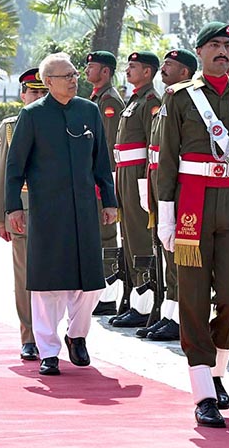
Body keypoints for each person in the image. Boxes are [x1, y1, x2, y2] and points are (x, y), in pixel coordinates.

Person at [157, 21, 229, 427]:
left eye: (228, 45)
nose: (223, 51)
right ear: (201, 52)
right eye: (216, 45)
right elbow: (167, 159)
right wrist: (165, 215)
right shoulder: (180, 98)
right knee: (191, 295)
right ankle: (203, 388)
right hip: (192, 205)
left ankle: (218, 366)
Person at [4, 52, 117, 377]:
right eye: (65, 75)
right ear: (49, 82)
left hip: (84, 208)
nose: (73, 78)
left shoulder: (89, 111)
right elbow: (15, 167)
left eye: (73, 73)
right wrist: (12, 207)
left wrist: (109, 200)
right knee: (47, 285)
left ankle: (77, 336)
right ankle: (48, 350)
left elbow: (101, 162)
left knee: (90, 282)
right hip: (47, 209)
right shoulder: (33, 116)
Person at [136, 49, 198, 342]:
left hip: (177, 185)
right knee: (167, 254)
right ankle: (169, 313)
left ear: (185, 72)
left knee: (177, 256)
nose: (163, 69)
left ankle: (178, 316)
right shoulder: (167, 101)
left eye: (169, 65)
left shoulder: (181, 102)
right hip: (158, 181)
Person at [0, 68, 48, 361]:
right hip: (23, 212)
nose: (38, 97)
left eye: (43, 92)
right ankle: (29, 336)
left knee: (57, 277)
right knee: (26, 277)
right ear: (22, 95)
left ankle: (50, 333)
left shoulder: (59, 122)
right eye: (33, 92)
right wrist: (1, 216)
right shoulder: (11, 127)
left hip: (56, 211)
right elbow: (1, 173)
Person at [110, 51, 161, 328]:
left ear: (147, 72)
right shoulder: (135, 100)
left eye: (134, 67)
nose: (128, 71)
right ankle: (134, 297)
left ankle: (144, 302)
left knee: (140, 237)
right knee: (127, 235)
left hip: (138, 175)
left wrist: (145, 185)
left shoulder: (151, 102)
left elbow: (152, 146)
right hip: (125, 173)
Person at [84, 51, 126, 316]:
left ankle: (109, 295)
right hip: (94, 176)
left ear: (106, 72)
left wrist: (103, 181)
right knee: (99, 235)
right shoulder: (97, 98)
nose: (87, 70)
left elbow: (108, 146)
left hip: (103, 177)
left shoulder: (109, 100)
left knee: (107, 235)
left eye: (92, 67)